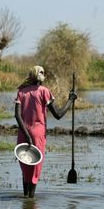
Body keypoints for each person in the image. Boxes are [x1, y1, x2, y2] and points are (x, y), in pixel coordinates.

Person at [15, 65, 77, 198]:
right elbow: (58, 115)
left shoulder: (21, 92)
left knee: (26, 168)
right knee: (35, 170)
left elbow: (17, 116)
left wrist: (26, 134)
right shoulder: (44, 91)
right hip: (37, 135)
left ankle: (25, 200)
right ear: (39, 75)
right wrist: (70, 101)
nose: (44, 75)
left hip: (22, 134)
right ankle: (30, 201)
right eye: (42, 72)